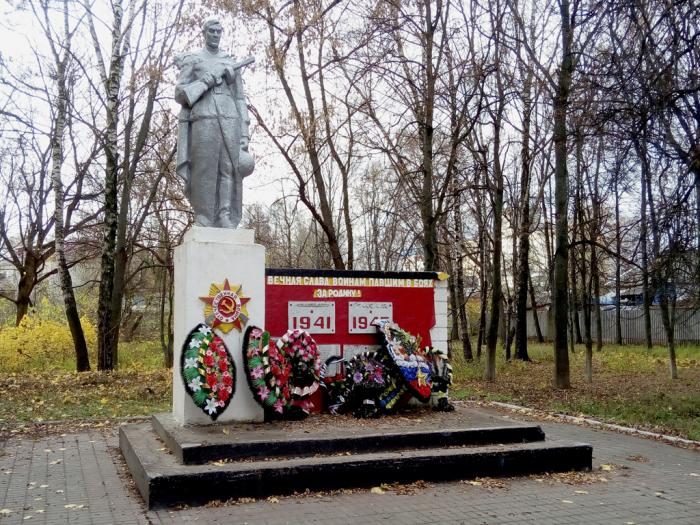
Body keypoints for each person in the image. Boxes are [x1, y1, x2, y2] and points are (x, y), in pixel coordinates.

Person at [175, 17, 254, 228]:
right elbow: (180, 93)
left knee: (227, 168)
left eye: (219, 32)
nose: (216, 36)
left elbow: (240, 99)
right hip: (204, 117)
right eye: (212, 31)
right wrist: (206, 80)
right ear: (204, 33)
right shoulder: (193, 60)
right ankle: (204, 216)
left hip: (230, 119)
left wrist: (245, 132)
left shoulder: (230, 61)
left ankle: (224, 215)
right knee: (204, 168)